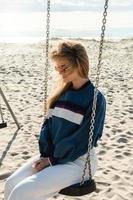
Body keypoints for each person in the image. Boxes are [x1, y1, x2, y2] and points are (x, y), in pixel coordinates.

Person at [4, 40, 106, 200]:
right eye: (57, 68)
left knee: (21, 193)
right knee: (10, 184)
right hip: (53, 156)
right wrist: (46, 156)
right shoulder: (61, 95)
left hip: (79, 162)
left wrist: (51, 161)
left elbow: (83, 140)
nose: (60, 72)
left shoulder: (95, 99)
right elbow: (47, 129)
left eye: (64, 67)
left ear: (79, 63)